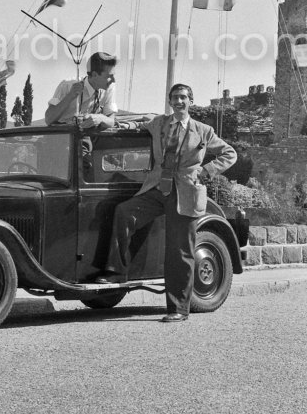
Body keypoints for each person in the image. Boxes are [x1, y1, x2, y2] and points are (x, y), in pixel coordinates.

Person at [96, 83, 236, 323]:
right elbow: (136, 125)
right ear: (170, 102)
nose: (179, 102)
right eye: (175, 98)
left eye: (183, 97)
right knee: (124, 212)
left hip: (186, 195)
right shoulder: (159, 123)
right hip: (157, 189)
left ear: (190, 101)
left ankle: (179, 308)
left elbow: (229, 153)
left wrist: (206, 170)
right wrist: (110, 122)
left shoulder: (203, 130)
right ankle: (116, 275)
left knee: (179, 251)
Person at [45, 52, 117, 129]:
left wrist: (101, 118)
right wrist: (70, 96)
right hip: (62, 135)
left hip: (88, 135)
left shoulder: (109, 87)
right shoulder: (67, 85)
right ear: (95, 74)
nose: (113, 80)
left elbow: (111, 121)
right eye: (109, 76)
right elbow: (49, 119)